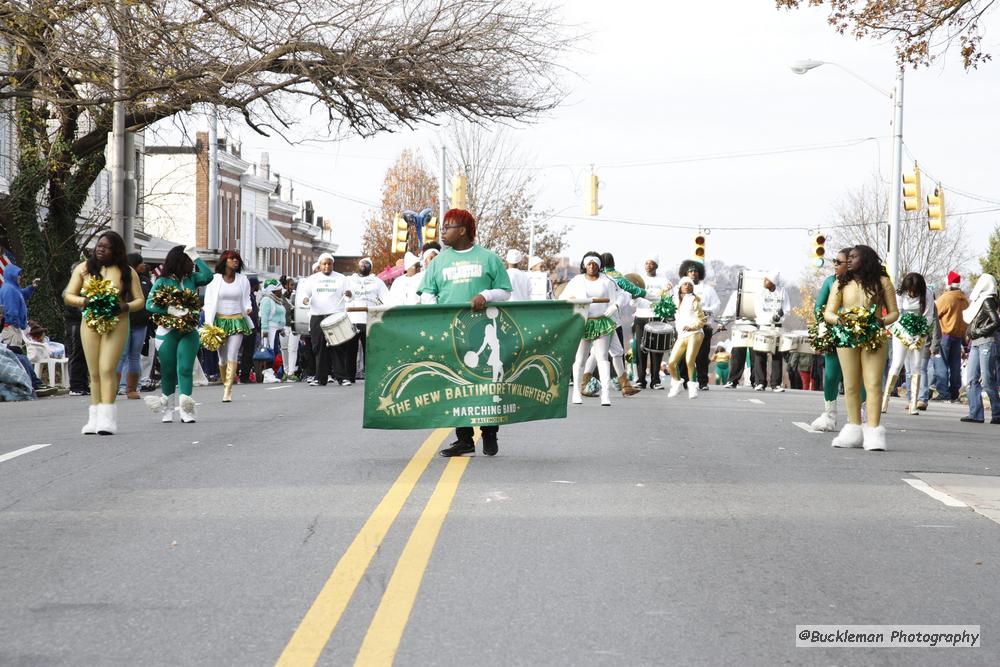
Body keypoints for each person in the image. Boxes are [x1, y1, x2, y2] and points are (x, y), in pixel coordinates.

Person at [418, 208, 512, 456]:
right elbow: (427, 292)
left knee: (485, 383)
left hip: (482, 331)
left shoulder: (489, 258)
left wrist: (486, 295)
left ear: (462, 230)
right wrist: (435, 311)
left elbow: (505, 291)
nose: (443, 232)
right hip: (450, 332)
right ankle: (464, 438)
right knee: (456, 383)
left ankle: (489, 432)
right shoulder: (438, 261)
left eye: (448, 227)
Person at [62, 231, 144, 434]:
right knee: (95, 372)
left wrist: (124, 307)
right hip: (90, 323)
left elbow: (140, 300)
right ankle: (95, 418)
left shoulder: (127, 271)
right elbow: (68, 295)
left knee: (107, 367)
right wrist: (85, 301)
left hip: (117, 322)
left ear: (115, 250)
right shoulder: (84, 269)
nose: (100, 249)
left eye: (106, 247)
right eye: (99, 245)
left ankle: (108, 419)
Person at [824, 245, 899, 451]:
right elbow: (828, 312)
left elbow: (894, 313)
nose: (849, 261)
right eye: (848, 257)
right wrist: (840, 320)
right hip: (846, 336)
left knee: (873, 383)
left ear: (865, 259)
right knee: (850, 384)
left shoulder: (883, 282)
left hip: (873, 336)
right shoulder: (840, 283)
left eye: (854, 257)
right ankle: (854, 428)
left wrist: (879, 323)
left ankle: (873, 431)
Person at [143, 245, 214, 423]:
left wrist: (196, 256)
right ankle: (167, 409)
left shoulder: (192, 279)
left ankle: (186, 410)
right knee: (168, 372)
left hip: (188, 331)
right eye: (189, 261)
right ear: (180, 262)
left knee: (184, 369)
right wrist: (170, 310)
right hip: (167, 332)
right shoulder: (162, 282)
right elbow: (149, 305)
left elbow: (208, 276)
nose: (192, 265)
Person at [562, 252, 619, 408]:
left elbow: (620, 296)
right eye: (589, 264)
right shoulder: (577, 280)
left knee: (602, 357)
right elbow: (564, 297)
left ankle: (606, 394)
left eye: (595, 264)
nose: (592, 266)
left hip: (601, 322)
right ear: (584, 266)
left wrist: (615, 306)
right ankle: (576, 392)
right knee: (579, 358)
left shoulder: (607, 281)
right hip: (583, 322)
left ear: (599, 266)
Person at [203, 250, 254, 402]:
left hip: (237, 319)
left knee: (233, 353)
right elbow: (209, 302)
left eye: (237, 259)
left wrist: (248, 307)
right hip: (219, 321)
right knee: (222, 358)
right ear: (225, 261)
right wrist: (208, 322)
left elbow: (246, 299)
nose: (235, 261)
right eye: (232, 259)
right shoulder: (215, 279)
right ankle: (225, 381)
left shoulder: (242, 279)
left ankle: (228, 389)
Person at [810, 249, 852, 431]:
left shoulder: (862, 282)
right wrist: (824, 327)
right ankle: (829, 415)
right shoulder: (830, 281)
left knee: (855, 378)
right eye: (834, 261)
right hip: (834, 334)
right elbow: (819, 307)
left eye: (838, 261)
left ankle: (858, 418)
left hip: (857, 335)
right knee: (831, 375)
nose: (834, 264)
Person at [882, 272, 934, 415]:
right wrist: (903, 333)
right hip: (901, 331)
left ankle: (913, 404)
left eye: (915, 290)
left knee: (916, 367)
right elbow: (895, 315)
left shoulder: (928, 294)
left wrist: (920, 333)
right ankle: (884, 401)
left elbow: (928, 316)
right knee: (897, 364)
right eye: (909, 289)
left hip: (919, 332)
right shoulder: (899, 294)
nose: (911, 292)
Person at [300, 252, 353, 386]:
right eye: (324, 264)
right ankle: (320, 378)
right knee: (319, 348)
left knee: (338, 347)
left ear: (332, 264)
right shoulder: (312, 279)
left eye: (329, 263)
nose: (327, 266)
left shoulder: (341, 278)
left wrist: (348, 294)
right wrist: (305, 299)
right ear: (320, 265)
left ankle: (342, 377)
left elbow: (350, 296)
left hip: (335, 315)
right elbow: (304, 294)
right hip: (317, 315)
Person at [675, 260, 721, 391]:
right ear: (685, 273)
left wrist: (707, 310)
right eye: (690, 271)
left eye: (695, 271)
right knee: (684, 355)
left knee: (702, 355)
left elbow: (716, 305)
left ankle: (702, 381)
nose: (693, 273)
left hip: (703, 327)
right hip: (685, 329)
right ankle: (685, 380)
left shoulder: (708, 289)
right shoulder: (680, 289)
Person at [960, 274, 999, 424]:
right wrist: (971, 332)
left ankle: (997, 413)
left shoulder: (988, 300)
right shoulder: (979, 300)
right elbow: (976, 320)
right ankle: (976, 413)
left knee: (988, 379)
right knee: (971, 379)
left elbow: (996, 321)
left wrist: (977, 332)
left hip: (986, 342)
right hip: (976, 343)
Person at [116, 252, 152, 400]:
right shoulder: (121, 280)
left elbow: (148, 300)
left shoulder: (145, 281)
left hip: (140, 324)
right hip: (123, 322)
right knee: (121, 355)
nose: (143, 265)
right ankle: (117, 386)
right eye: (140, 263)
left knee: (134, 356)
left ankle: (132, 388)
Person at [346, 257, 388, 381]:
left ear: (370, 267)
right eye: (362, 264)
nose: (364, 266)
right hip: (352, 318)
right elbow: (344, 295)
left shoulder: (377, 281)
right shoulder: (349, 280)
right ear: (358, 266)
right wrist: (347, 295)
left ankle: (371, 376)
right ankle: (349, 376)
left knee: (369, 350)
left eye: (366, 264)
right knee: (351, 349)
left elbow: (386, 298)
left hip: (370, 319)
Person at [633, 255, 672, 389]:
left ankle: (655, 380)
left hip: (657, 318)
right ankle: (641, 379)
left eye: (652, 263)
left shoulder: (663, 280)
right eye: (646, 263)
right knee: (641, 348)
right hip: (641, 316)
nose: (649, 266)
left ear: (656, 266)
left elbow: (668, 298)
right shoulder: (639, 279)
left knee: (656, 349)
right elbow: (632, 298)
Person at [666, 277, 706, 399]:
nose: (688, 286)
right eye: (685, 284)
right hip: (682, 335)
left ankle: (693, 387)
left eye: (690, 284)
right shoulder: (675, 301)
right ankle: (677, 384)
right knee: (672, 363)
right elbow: (661, 302)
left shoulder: (694, 300)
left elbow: (702, 320)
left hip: (695, 332)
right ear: (680, 287)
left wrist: (692, 327)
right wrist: (666, 291)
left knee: (689, 360)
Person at [751, 271, 791, 392]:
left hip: (777, 327)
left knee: (777, 354)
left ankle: (775, 384)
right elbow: (758, 310)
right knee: (760, 353)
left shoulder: (782, 291)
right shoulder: (760, 292)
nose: (764, 281)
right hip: (764, 325)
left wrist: (780, 316)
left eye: (767, 280)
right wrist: (771, 317)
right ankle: (760, 383)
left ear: (773, 282)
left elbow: (787, 308)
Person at [934, 271, 969, 402]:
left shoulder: (946, 297)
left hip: (944, 335)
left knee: (941, 363)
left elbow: (934, 313)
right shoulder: (964, 299)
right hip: (958, 336)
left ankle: (943, 392)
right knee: (955, 365)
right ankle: (954, 391)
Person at [259, 278, 287, 378]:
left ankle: (270, 373)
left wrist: (282, 329)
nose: (281, 291)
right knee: (268, 352)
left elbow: (279, 317)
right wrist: (265, 332)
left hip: (275, 330)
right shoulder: (266, 300)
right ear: (273, 291)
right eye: (279, 289)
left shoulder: (276, 300)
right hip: (269, 330)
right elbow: (265, 317)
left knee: (273, 352)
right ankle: (267, 373)